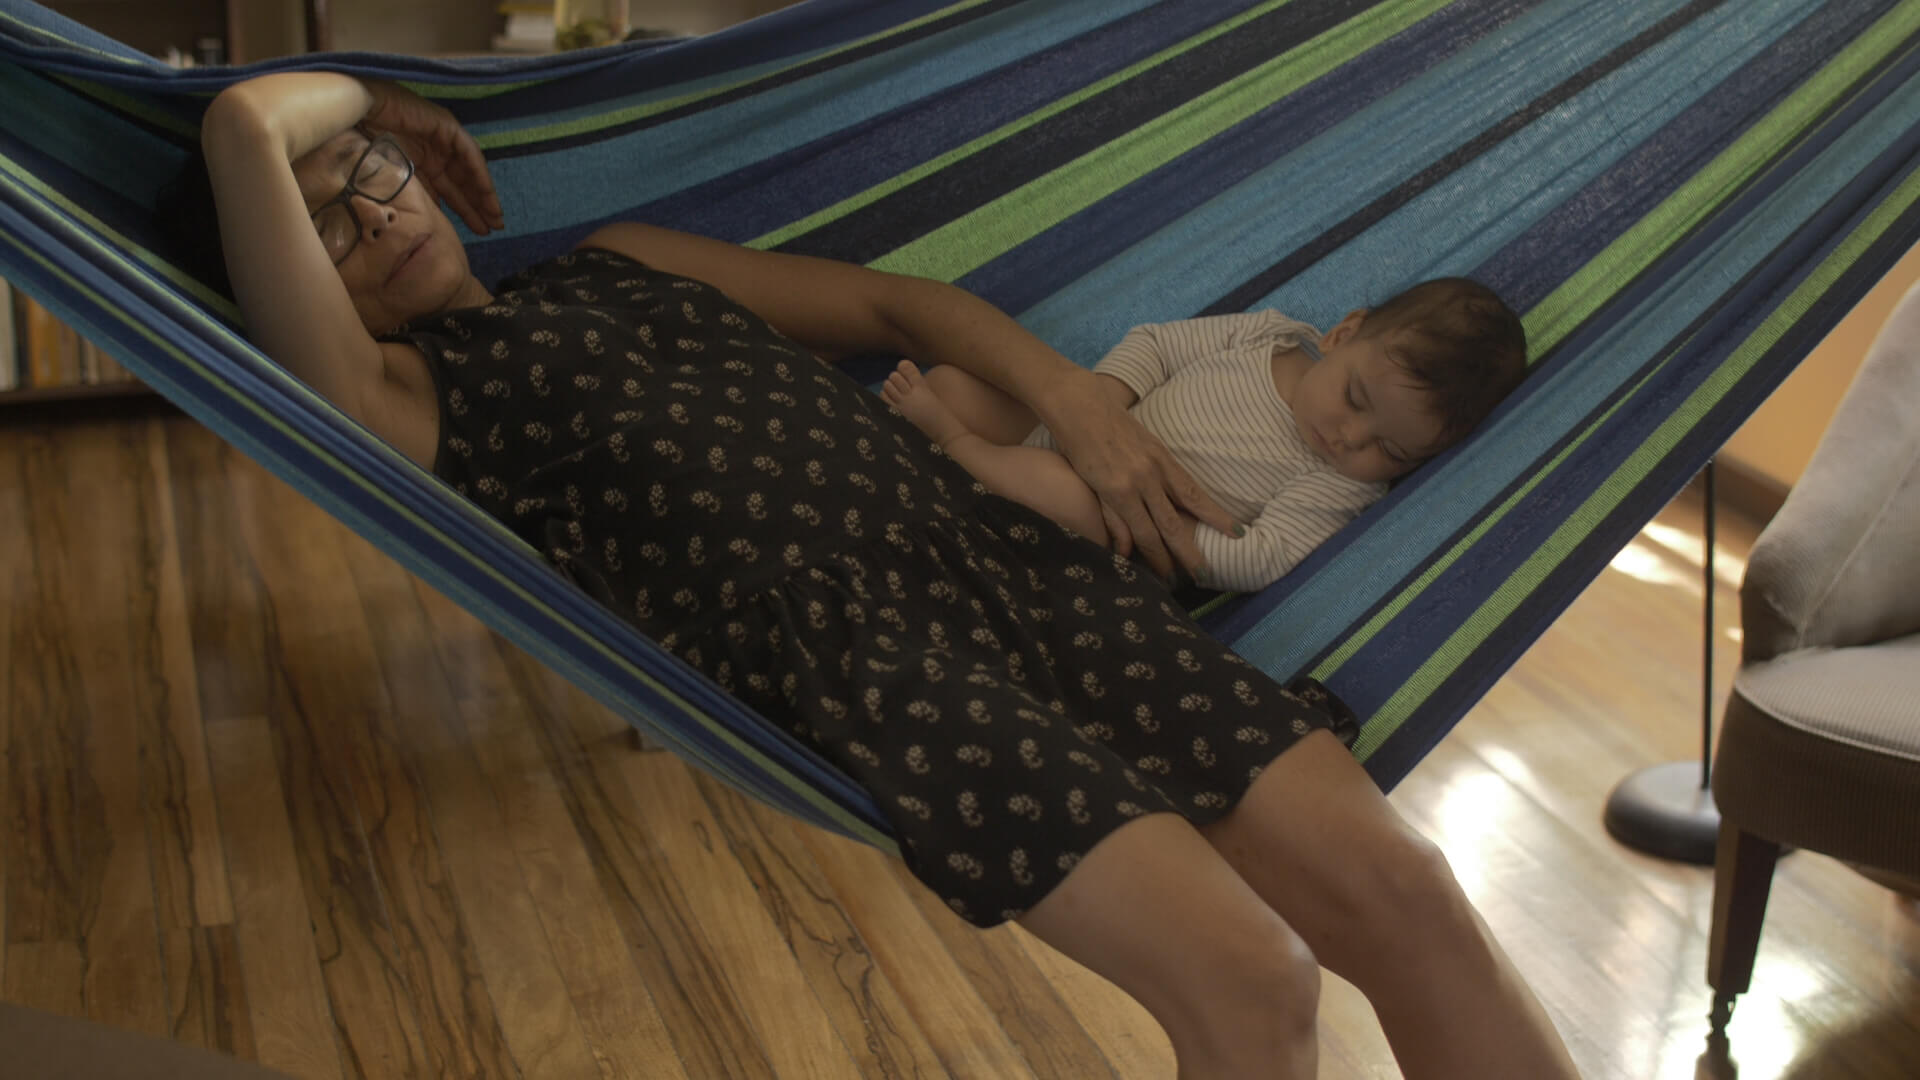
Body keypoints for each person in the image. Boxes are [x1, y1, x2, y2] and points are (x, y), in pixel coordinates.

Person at [191, 70, 1582, 1079]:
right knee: (1256, 979)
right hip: (864, 657)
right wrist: (343, 102)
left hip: (1021, 558)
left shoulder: (612, 263)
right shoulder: (407, 394)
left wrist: (1076, 405)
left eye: (376, 174)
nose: (378, 216)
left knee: (1412, 898)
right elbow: (241, 128)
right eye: (330, 222)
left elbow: (891, 306)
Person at [880, 284, 1527, 592]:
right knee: (955, 384)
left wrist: (1163, 525)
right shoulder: (1265, 335)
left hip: (1111, 529)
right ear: (1342, 334)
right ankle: (967, 449)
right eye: (1355, 398)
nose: (1349, 438)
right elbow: (1156, 345)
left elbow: (1263, 557)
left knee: (1056, 488)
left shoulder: (1338, 487)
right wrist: (1100, 408)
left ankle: (955, 448)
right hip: (1074, 432)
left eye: (1391, 452)